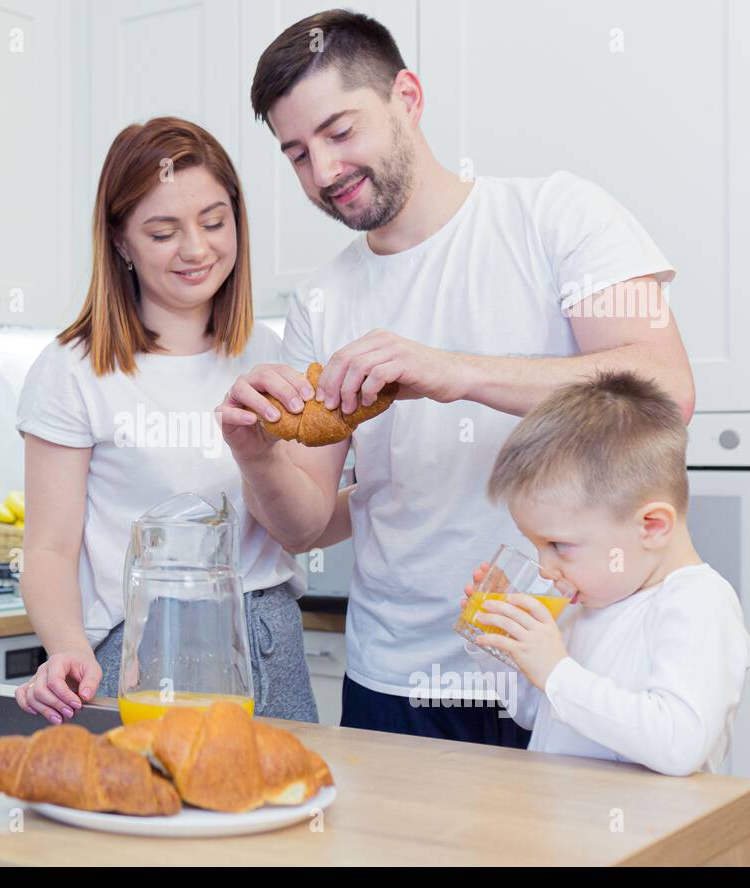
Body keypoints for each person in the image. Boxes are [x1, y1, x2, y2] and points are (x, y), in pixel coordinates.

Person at [216, 9, 696, 746]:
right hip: (390, 679)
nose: (325, 172)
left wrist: (456, 372)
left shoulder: (553, 215)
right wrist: (257, 456)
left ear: (407, 96)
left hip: (565, 669)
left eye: (340, 132)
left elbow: (666, 389)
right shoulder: (321, 300)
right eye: (297, 154)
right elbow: (306, 522)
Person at [13, 117, 317, 725]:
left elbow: (296, 521)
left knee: (279, 809)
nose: (197, 249)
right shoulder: (73, 370)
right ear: (121, 242)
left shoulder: (268, 353)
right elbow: (47, 547)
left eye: (214, 222)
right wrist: (67, 648)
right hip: (138, 645)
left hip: (266, 636)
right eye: (163, 231)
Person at [459, 371, 750, 775]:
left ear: (651, 526)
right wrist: (505, 647)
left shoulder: (697, 602)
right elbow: (540, 713)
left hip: (647, 835)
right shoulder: (593, 600)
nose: (545, 568)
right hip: (570, 826)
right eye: (536, 545)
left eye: (558, 545)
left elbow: (678, 744)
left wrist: (556, 671)